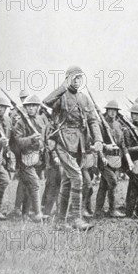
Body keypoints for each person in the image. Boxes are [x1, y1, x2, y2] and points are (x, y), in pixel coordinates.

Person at [43, 66, 103, 230]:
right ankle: (76, 218)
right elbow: (46, 102)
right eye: (74, 78)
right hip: (63, 141)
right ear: (68, 78)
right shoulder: (61, 96)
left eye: (79, 78)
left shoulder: (84, 98)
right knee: (77, 177)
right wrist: (63, 86)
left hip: (80, 143)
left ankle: (60, 222)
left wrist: (98, 139)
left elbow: (92, 120)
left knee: (68, 181)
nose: (77, 81)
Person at [12, 95, 46, 221]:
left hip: (36, 159)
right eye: (29, 106)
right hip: (24, 160)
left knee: (27, 187)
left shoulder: (40, 120)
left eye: (34, 105)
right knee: (35, 184)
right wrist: (31, 139)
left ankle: (25, 213)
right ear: (25, 108)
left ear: (38, 107)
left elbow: (43, 140)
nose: (31, 108)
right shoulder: (20, 122)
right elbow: (17, 142)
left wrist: (39, 143)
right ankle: (38, 214)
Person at [94, 100, 127, 218]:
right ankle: (112, 209)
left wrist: (122, 159)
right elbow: (97, 142)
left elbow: (122, 143)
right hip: (104, 159)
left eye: (115, 111)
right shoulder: (100, 125)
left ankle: (98, 211)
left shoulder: (118, 125)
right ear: (106, 111)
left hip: (115, 160)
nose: (112, 113)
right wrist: (102, 156)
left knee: (103, 186)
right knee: (113, 182)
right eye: (110, 110)